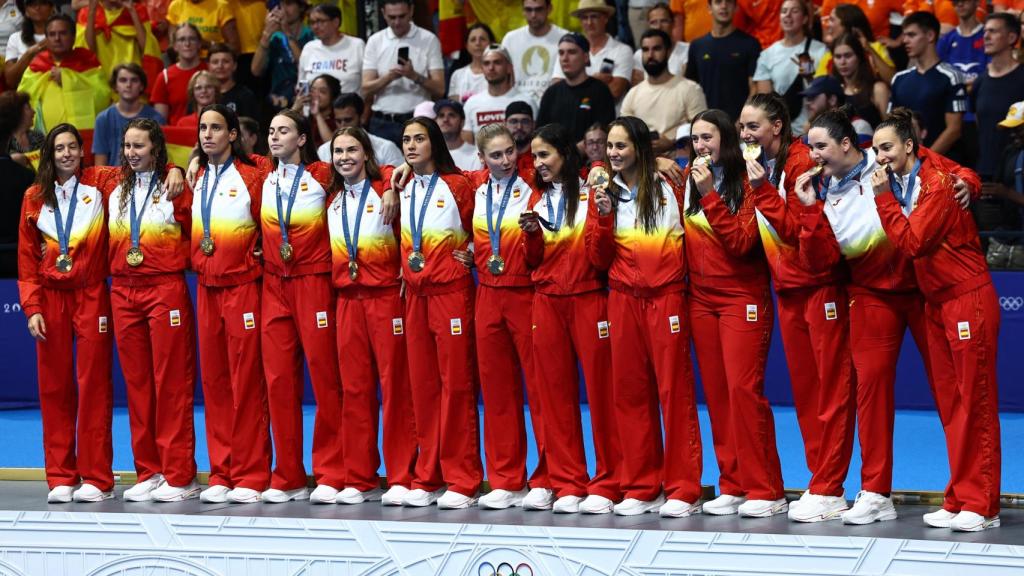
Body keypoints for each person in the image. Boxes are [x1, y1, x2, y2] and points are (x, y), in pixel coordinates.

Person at [792, 109, 948, 525]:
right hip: (871, 296)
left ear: (847, 144)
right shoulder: (823, 191)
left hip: (922, 291)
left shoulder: (884, 162)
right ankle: (877, 492)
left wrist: (967, 181)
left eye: (820, 145)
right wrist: (810, 210)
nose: (813, 154)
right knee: (871, 395)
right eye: (809, 146)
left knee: (951, 390)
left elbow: (943, 169)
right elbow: (820, 262)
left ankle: (966, 496)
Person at [867, 109, 1000, 532]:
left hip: (966, 299)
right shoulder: (913, 168)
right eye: (876, 150)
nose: (880, 158)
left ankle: (983, 505)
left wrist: (883, 198)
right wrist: (972, 181)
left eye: (886, 148)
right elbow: (964, 171)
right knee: (951, 405)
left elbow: (912, 242)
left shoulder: (938, 185)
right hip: (934, 302)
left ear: (910, 147)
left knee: (974, 403)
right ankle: (960, 495)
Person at [739, 93, 855, 522]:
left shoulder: (799, 161)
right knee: (807, 395)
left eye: (752, 126)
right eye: (741, 127)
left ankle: (831, 486)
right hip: (787, 288)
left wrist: (762, 192)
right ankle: (819, 482)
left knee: (831, 391)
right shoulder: (765, 166)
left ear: (776, 126)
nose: (745, 134)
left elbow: (796, 228)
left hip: (820, 287)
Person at [586, 116, 703, 517]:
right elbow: (597, 259)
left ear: (640, 146)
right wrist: (601, 217)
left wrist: (668, 158)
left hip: (666, 297)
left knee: (674, 392)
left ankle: (684, 488)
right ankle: (641, 486)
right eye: (609, 147)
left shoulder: (672, 183)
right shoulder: (602, 190)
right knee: (631, 394)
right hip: (622, 299)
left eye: (621, 146)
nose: (613, 153)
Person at [682, 109, 786, 518]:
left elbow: (743, 243)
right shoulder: (688, 181)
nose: (701, 146)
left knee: (745, 393)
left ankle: (767, 490)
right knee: (720, 396)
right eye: (695, 140)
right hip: (701, 301)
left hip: (742, 297)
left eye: (708, 138)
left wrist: (709, 195)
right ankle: (734, 483)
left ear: (726, 139)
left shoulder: (748, 179)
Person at [518, 123, 621, 514]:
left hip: (587, 299)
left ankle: (608, 481)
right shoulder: (536, 198)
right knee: (553, 397)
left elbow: (600, 257)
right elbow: (532, 262)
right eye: (536, 156)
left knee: (601, 396)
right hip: (546, 302)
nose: (538, 163)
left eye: (545, 155)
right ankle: (567, 481)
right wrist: (530, 236)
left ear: (564, 151)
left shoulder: (591, 189)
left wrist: (602, 209)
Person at [101, 118, 198, 502]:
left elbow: (197, 229)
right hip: (123, 290)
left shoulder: (174, 187)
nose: (131, 153)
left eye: (139, 146)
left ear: (156, 149)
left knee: (171, 381)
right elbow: (67, 167)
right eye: (127, 146)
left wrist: (176, 169)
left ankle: (180, 475)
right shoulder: (110, 185)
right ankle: (149, 470)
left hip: (164, 288)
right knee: (138, 385)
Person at [18, 124, 113, 503]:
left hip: (90, 295)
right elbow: (26, 259)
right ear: (50, 154)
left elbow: (143, 162)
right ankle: (61, 477)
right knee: (55, 387)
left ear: (82, 151)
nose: (67, 154)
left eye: (73, 147)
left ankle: (97, 478)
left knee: (93, 386)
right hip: (51, 298)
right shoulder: (34, 196)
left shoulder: (100, 185)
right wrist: (32, 308)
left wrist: (174, 168)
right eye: (60, 148)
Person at [325, 126, 417, 505]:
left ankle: (401, 476)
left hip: (385, 299)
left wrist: (395, 182)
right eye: (338, 152)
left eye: (352, 150)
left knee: (395, 388)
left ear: (367, 153)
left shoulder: (388, 190)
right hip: (347, 300)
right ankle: (359, 476)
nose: (344, 157)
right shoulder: (331, 200)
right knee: (355, 390)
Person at [393, 116, 482, 508]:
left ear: (435, 144)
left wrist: (477, 253)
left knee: (457, 385)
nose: (411, 146)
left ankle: (462, 478)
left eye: (419, 139)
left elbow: (487, 217)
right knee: (423, 388)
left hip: (451, 294)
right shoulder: (401, 186)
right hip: (415, 295)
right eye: (406, 141)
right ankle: (427, 476)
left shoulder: (460, 185)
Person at [258, 109, 344, 504]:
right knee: (278, 383)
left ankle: (332, 472)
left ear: (303, 139)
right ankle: (288, 474)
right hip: (274, 284)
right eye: (271, 130)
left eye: (284, 130)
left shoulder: (325, 175)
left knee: (325, 379)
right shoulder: (261, 176)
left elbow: (369, 170)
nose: (275, 136)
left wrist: (392, 186)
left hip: (313, 282)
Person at [190, 104, 272, 504]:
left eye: (217, 128)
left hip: (243, 288)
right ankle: (221, 471)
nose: (208, 135)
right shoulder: (196, 176)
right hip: (206, 288)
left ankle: (252, 473)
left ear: (233, 135)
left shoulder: (254, 176)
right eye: (203, 128)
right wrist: (181, 166)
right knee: (216, 384)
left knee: (247, 382)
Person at [362, 0, 444, 146]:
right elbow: (366, 89)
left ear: (411, 11)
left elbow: (440, 89)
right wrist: (390, 77)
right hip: (382, 122)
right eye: (392, 17)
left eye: (402, 16)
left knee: (420, 169)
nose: (397, 22)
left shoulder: (429, 39)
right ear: (383, 14)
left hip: (418, 120)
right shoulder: (375, 41)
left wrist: (414, 76)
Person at [891, 11, 967, 159]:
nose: (905, 40)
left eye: (911, 35)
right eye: (904, 35)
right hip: (906, 167)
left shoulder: (951, 77)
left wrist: (924, 161)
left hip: (943, 166)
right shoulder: (899, 79)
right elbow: (892, 126)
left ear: (930, 36)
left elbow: (954, 129)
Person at [621, 29, 707, 155]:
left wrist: (672, 142)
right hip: (642, 166)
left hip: (681, 165)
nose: (650, 55)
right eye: (645, 50)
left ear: (668, 52)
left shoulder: (690, 89)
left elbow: (702, 130)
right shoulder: (632, 94)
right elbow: (623, 134)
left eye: (656, 49)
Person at [17, 14, 109, 132]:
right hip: (42, 139)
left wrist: (68, 79)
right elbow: (22, 100)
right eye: (52, 34)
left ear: (73, 37)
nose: (57, 38)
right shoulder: (37, 65)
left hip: (80, 137)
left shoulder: (88, 61)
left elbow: (103, 95)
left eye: (63, 33)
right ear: (46, 39)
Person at [753, 0, 827, 135]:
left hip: (813, 131)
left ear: (805, 18)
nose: (788, 15)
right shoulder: (767, 55)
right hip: (781, 134)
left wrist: (809, 75)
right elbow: (766, 103)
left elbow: (827, 95)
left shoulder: (821, 51)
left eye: (794, 11)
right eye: (784, 11)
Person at [537, 34, 616, 153]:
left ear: (585, 57)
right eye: (561, 53)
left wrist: (572, 153)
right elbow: (540, 134)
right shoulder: (551, 93)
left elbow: (605, 132)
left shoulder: (600, 90)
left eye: (571, 52)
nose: (565, 58)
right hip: (555, 163)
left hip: (591, 164)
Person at [685, 0, 761, 121]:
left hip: (739, 126)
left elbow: (754, 89)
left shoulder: (750, 44)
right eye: (718, 2)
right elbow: (689, 88)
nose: (724, 6)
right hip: (705, 124)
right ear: (709, 7)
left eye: (729, 2)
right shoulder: (697, 46)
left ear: (736, 7)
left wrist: (742, 122)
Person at [972, 12, 1023, 181]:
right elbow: (980, 125)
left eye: (993, 31)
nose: (986, 36)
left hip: (1018, 173)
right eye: (985, 31)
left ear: (1011, 37)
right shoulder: (980, 82)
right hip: (985, 173)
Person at [552, 0, 632, 101]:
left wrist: (574, 83)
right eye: (585, 17)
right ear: (580, 21)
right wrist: (595, 80)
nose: (589, 22)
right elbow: (557, 90)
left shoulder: (622, 50)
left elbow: (614, 92)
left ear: (606, 18)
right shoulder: (569, 49)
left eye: (594, 17)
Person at [93, 63, 164, 166]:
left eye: (134, 80)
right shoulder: (103, 119)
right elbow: (100, 163)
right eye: (123, 80)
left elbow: (160, 159)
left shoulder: (156, 119)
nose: (128, 85)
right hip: (112, 179)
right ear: (115, 86)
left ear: (142, 86)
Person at [462, 44, 535, 144]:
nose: (491, 68)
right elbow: (468, 147)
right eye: (486, 63)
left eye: (497, 62)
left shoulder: (526, 102)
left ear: (509, 67)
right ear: (482, 69)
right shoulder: (471, 103)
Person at [79, 0, 161, 85]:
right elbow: (88, 51)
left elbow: (146, 47)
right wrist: (92, 11)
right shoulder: (87, 12)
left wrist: (132, 10)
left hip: (130, 77)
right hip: (102, 76)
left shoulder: (138, 10)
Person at [250, 0, 312, 111]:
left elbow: (306, 68)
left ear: (301, 7)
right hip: (278, 104)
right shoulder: (275, 38)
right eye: (280, 5)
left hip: (307, 102)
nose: (282, 10)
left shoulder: (311, 35)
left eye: (288, 4)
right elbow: (256, 70)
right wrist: (266, 34)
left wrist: (288, 34)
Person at [502, 0, 566, 103]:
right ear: (523, 11)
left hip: (554, 104)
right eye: (528, 10)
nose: (533, 15)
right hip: (517, 106)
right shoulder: (510, 39)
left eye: (539, 9)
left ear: (549, 9)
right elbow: (503, 76)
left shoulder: (564, 38)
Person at [315, 92, 403, 167]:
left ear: (361, 117)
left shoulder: (386, 148)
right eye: (338, 121)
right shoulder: (324, 150)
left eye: (348, 120)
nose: (342, 126)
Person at [817, 4, 896, 84]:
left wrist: (870, 50)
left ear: (847, 24)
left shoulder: (875, 48)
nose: (827, 24)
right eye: (838, 57)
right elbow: (818, 86)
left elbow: (892, 80)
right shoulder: (829, 55)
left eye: (832, 20)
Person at [296, 4, 362, 95]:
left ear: (335, 22)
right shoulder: (309, 48)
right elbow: (302, 86)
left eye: (320, 21)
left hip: (346, 106)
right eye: (312, 22)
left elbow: (367, 85)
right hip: (313, 108)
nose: (315, 27)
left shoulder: (356, 45)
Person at [150, 23, 205, 126]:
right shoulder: (165, 77)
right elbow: (160, 122)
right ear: (174, 46)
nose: (187, 44)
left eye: (192, 39)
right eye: (182, 39)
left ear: (199, 44)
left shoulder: (210, 72)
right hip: (176, 139)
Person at [830, 33, 888, 127]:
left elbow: (891, 130)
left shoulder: (877, 89)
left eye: (848, 56)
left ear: (859, 57)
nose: (842, 62)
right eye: (838, 57)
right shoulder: (833, 91)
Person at [801, 75, 874, 145]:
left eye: (812, 97)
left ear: (832, 100)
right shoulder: (812, 131)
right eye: (807, 98)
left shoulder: (859, 127)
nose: (807, 103)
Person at [630, 3, 689, 84]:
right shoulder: (639, 54)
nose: (659, 26)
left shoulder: (687, 50)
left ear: (673, 23)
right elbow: (638, 87)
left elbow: (687, 83)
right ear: (648, 25)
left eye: (664, 21)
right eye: (653, 22)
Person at [937, 0, 988, 86]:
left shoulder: (988, 36)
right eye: (956, 2)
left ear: (977, 2)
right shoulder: (946, 40)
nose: (960, 4)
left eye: (965, 0)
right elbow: (939, 74)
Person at [3, 0, 52, 88]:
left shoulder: (61, 35)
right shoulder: (15, 38)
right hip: (26, 93)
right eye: (33, 4)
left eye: (43, 3)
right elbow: (10, 80)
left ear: (51, 8)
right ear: (26, 11)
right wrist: (30, 53)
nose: (38, 8)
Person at [207, 43, 258, 122]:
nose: (220, 66)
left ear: (234, 65)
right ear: (208, 66)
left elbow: (251, 129)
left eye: (225, 61)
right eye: (215, 62)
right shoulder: (202, 95)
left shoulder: (245, 96)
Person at [166, 0, 238, 53]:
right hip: (184, 60)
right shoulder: (176, 5)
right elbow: (173, 41)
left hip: (213, 60)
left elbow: (233, 46)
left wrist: (209, 44)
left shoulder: (221, 6)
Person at [448, 22, 493, 103]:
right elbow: (453, 106)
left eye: (482, 39)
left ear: (491, 43)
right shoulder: (457, 75)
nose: (477, 43)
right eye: (473, 40)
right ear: (467, 46)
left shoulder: (498, 72)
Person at [293, 73, 339, 149]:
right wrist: (295, 108)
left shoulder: (338, 118)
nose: (316, 95)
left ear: (333, 96)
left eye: (322, 91)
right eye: (313, 90)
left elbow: (331, 146)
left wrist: (317, 115)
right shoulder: (305, 118)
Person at [434, 98, 480, 171]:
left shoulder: (476, 155)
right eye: (441, 115)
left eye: (451, 115)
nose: (445, 119)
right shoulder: (430, 156)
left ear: (462, 122)